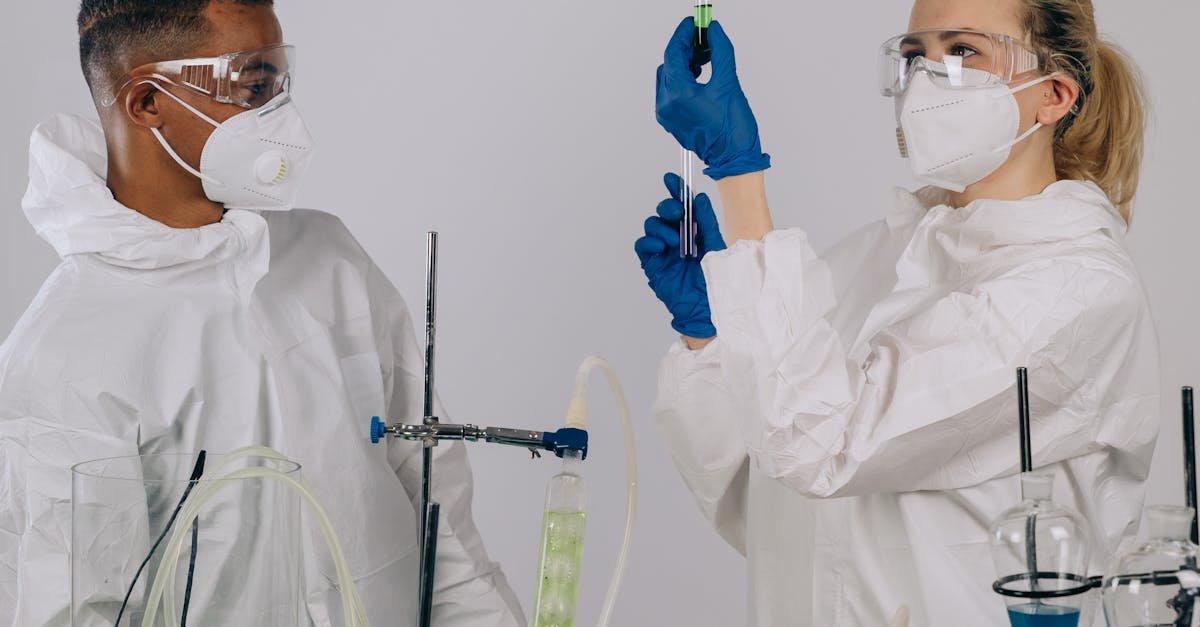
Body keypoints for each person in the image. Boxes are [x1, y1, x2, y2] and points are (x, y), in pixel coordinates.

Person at [0, 1, 524, 625]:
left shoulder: (327, 258)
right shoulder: (66, 349)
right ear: (147, 102)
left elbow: (445, 529)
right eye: (255, 86)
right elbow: (75, 609)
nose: (280, 114)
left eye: (279, 82)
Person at [637, 0, 1159, 625]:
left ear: (1053, 94)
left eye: (964, 51)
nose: (928, 79)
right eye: (915, 55)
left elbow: (818, 445)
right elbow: (771, 499)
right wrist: (710, 335)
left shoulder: (1076, 290)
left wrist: (740, 176)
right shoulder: (874, 258)